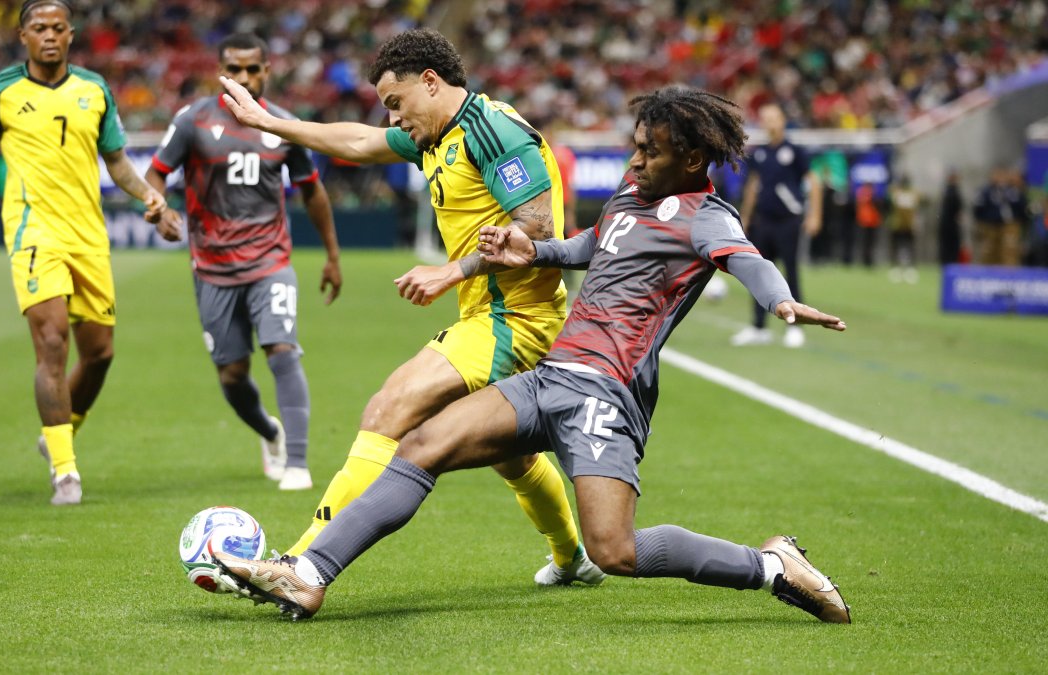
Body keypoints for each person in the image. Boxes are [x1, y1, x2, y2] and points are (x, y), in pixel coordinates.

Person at [210, 87, 851, 623]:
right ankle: (309, 572)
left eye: (650, 151)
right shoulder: (630, 198)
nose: (634, 160)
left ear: (691, 159)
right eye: (635, 145)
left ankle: (771, 565)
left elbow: (748, 260)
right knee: (421, 444)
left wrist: (781, 301)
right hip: (550, 377)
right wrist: (534, 252)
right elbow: (591, 246)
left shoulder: (706, 215)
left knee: (616, 550)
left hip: (606, 396)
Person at [218, 28, 600, 585]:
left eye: (396, 102)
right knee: (510, 455)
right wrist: (269, 122)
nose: (393, 118)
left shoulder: (492, 130)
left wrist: (454, 270)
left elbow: (538, 229)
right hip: (491, 316)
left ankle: (298, 561)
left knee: (388, 407)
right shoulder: (434, 137)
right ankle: (572, 559)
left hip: (516, 320)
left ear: (430, 81)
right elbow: (357, 142)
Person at [0, 0, 166, 506]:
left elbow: (116, 161)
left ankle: (58, 436)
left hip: (88, 236)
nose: (49, 35)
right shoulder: (0, 91)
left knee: (100, 355)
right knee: (51, 343)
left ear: (71, 35)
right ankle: (66, 473)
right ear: (23, 36)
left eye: (58, 28)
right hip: (33, 233)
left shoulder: (95, 89)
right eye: (39, 28)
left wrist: (149, 195)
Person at [144, 33, 342, 491]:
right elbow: (156, 173)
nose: (245, 77)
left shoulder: (285, 124)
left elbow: (312, 191)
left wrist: (332, 255)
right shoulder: (193, 120)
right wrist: (159, 209)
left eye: (253, 69)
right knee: (232, 376)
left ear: (267, 71)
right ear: (221, 72)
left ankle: (297, 463)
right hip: (212, 267)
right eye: (234, 69)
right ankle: (270, 432)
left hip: (270, 260)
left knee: (282, 350)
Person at [731, 103, 822, 349]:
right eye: (765, 118)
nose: (769, 122)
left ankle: (795, 327)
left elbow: (813, 182)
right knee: (760, 274)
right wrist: (745, 217)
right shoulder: (759, 154)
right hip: (763, 221)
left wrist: (814, 215)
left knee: (790, 273)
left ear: (782, 120)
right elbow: (753, 185)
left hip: (788, 221)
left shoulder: (794, 151)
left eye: (773, 118)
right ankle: (758, 327)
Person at [887, 175, 920, 283]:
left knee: (910, 247)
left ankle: (910, 268)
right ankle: (895, 267)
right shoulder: (897, 192)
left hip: (909, 226)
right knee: (896, 247)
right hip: (898, 225)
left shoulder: (912, 194)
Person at [937, 171, 964, 266]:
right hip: (950, 224)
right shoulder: (952, 191)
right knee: (950, 247)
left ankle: (948, 264)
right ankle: (950, 265)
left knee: (947, 247)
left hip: (947, 223)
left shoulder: (947, 190)